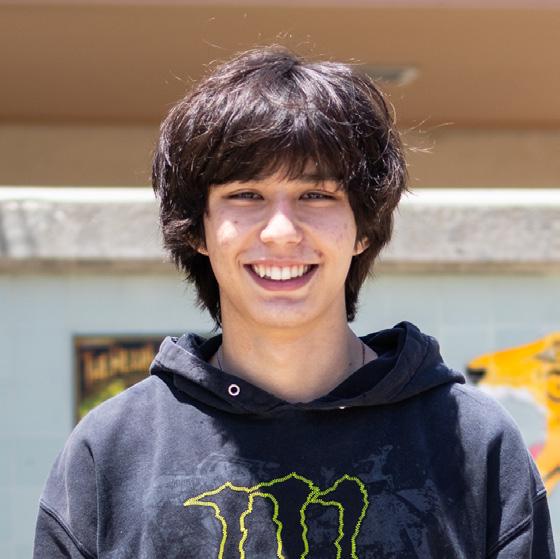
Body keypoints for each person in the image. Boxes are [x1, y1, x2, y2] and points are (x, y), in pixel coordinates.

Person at [33, 46, 555, 558]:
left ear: (363, 228)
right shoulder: (112, 451)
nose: (281, 231)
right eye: (246, 194)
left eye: (316, 195)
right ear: (197, 230)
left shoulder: (473, 442)